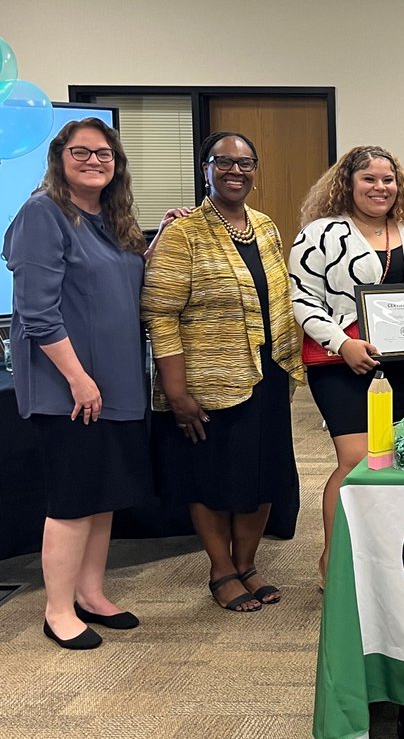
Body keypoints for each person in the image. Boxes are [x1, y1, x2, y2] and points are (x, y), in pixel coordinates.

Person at [2, 118, 173, 649]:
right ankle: (58, 611)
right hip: (70, 390)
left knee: (103, 497)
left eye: (104, 154)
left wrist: (161, 239)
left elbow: (121, 281)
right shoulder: (42, 213)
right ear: (59, 156)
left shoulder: (111, 220)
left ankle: (91, 594)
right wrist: (77, 379)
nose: (94, 161)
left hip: (117, 385)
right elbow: (36, 312)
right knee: (73, 501)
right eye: (82, 152)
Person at [142, 131, 304, 613]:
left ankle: (248, 564)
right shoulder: (184, 232)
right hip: (208, 381)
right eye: (224, 162)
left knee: (262, 475)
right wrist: (175, 390)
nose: (236, 171)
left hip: (267, 373)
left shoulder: (265, 225)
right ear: (205, 169)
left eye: (246, 163)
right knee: (213, 479)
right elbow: (160, 312)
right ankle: (221, 570)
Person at [289, 146, 404, 585]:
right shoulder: (320, 234)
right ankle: (333, 562)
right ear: (348, 184)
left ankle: (386, 561)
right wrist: (342, 344)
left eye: (388, 180)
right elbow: (302, 298)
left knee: (399, 459)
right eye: (369, 180)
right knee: (357, 460)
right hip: (343, 364)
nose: (380, 188)